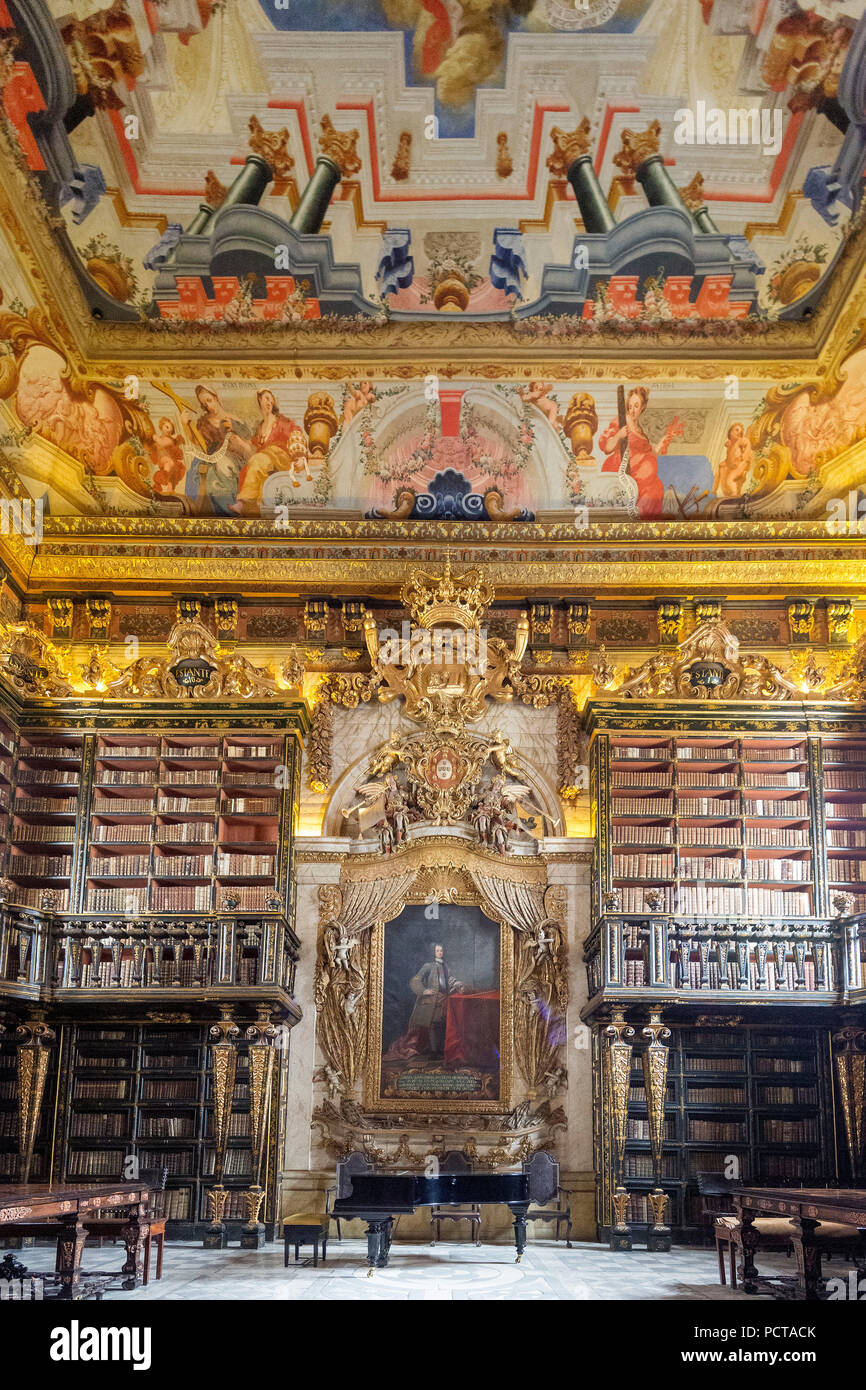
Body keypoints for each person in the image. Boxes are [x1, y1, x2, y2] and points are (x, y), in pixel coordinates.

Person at [599, 387, 682, 519]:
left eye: (636, 406)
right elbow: (607, 447)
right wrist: (618, 436)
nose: (632, 410)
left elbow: (652, 453)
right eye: (630, 406)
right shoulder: (621, 420)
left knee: (656, 487)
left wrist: (667, 436)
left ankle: (639, 521)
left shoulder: (640, 430)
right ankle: (635, 517)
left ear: (643, 407)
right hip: (626, 470)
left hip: (643, 477)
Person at [230, 388, 310, 514]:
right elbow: (253, 444)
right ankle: (253, 508)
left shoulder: (282, 422)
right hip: (267, 461)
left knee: (257, 459)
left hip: (281, 458)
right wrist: (239, 441)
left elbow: (296, 434)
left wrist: (300, 456)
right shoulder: (260, 427)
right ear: (259, 401)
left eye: (271, 399)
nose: (269, 402)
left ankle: (243, 501)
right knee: (248, 468)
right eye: (266, 399)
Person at [181, 385, 250, 514]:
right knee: (201, 468)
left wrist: (238, 442)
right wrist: (185, 424)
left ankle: (230, 511)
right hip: (213, 456)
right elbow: (197, 441)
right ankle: (216, 512)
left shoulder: (233, 419)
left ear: (216, 397)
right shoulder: (204, 422)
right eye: (204, 404)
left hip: (234, 457)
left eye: (209, 400)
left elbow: (248, 440)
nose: (208, 406)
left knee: (222, 466)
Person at [407, 943, 463, 1058]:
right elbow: (415, 980)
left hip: (444, 998)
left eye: (441, 950)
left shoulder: (445, 966)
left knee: (442, 1024)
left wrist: (456, 983)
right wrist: (423, 991)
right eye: (437, 951)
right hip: (433, 1000)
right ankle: (434, 1052)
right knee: (433, 1025)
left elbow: (449, 979)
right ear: (433, 952)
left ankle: (441, 1050)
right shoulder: (428, 966)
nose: (440, 953)